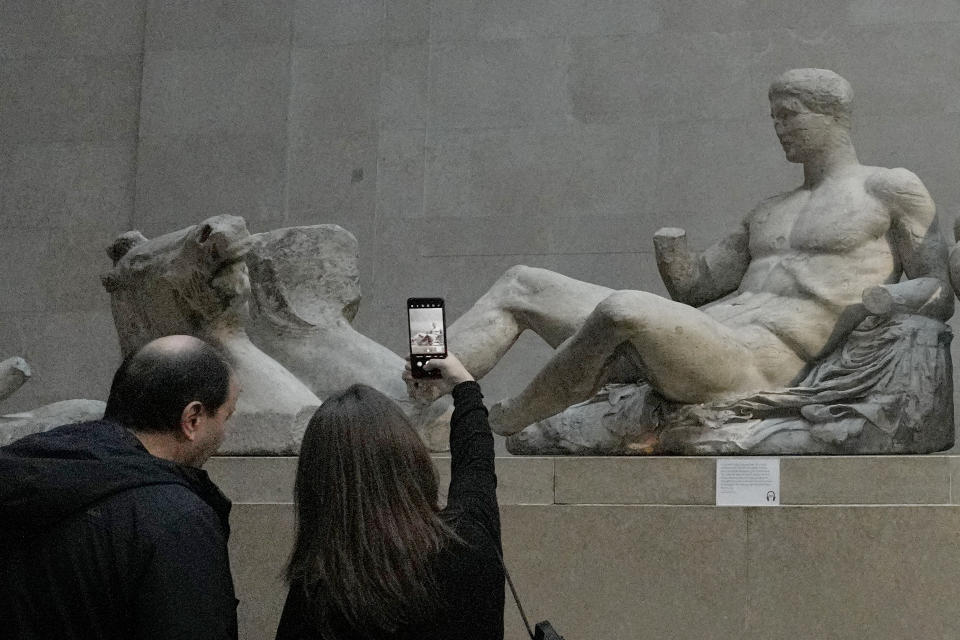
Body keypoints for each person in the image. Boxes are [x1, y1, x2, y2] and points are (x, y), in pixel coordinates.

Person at [410, 68, 953, 435]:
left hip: (760, 364)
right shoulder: (769, 210)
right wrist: (670, 247)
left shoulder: (888, 187)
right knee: (521, 282)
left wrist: (886, 299)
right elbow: (695, 290)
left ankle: (502, 417)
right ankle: (415, 389)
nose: (779, 128)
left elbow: (937, 288)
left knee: (626, 308)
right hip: (705, 337)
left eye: (790, 115)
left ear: (832, 114)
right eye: (774, 117)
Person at [0, 334, 241, 640]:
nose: (225, 433)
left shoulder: (24, 472)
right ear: (192, 418)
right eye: (227, 415)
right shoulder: (176, 519)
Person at [276, 353, 504, 640]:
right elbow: (476, 465)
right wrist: (465, 386)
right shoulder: (470, 540)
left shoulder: (321, 590)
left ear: (316, 487)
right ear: (413, 462)